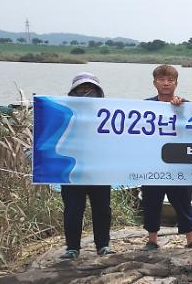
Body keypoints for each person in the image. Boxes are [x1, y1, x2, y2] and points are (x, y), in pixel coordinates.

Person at [141, 65, 192, 251]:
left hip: (178, 163)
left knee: (183, 201)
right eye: (162, 80)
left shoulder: (185, 105)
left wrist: (181, 109)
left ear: (176, 83)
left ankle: (190, 238)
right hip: (152, 163)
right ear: (154, 82)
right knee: (151, 201)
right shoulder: (145, 106)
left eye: (170, 80)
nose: (166, 83)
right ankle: (152, 240)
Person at [60, 72, 114, 259]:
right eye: (81, 89)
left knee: (102, 209)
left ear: (98, 92)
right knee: (73, 209)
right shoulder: (62, 111)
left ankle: (103, 245)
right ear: (73, 92)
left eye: (90, 88)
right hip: (71, 170)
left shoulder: (109, 112)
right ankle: (72, 248)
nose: (85, 92)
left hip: (99, 170)